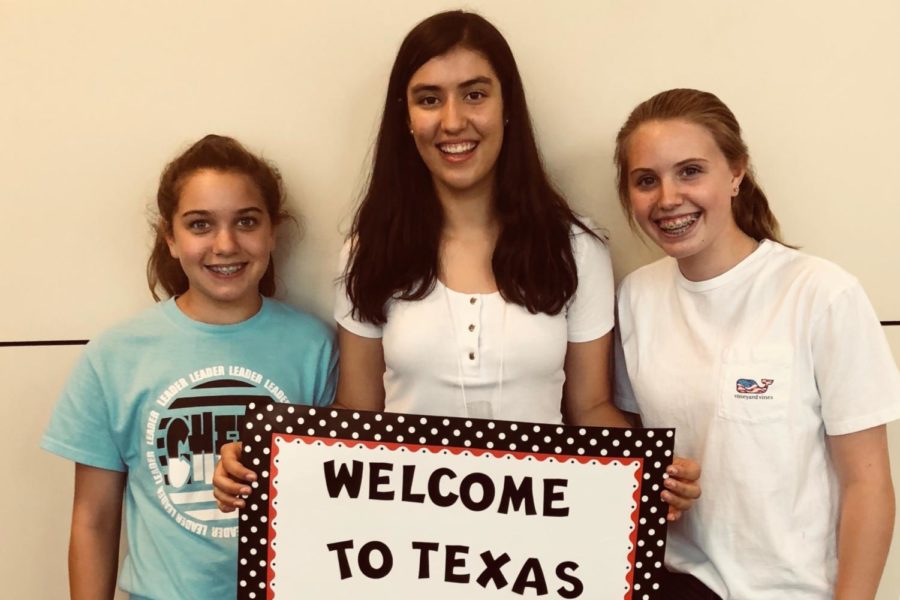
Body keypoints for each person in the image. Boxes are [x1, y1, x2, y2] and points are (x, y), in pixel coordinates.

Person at [214, 11, 699, 517]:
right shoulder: (367, 250)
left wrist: (651, 468)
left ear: (507, 105)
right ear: (405, 117)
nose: (452, 121)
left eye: (474, 94)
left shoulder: (576, 248)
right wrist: (260, 462)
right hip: (403, 545)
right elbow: (358, 414)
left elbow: (590, 407)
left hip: (539, 546)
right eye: (428, 99)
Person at [612, 88, 899, 599]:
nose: (668, 198)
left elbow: (869, 486)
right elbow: (633, 443)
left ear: (737, 173)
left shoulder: (821, 294)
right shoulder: (637, 296)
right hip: (671, 582)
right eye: (646, 180)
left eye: (690, 171)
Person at [41, 134, 338, 600]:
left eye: (246, 221)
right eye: (200, 224)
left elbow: (336, 498)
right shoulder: (115, 355)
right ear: (170, 238)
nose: (225, 244)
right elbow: (94, 520)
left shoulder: (316, 347)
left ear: (272, 231)